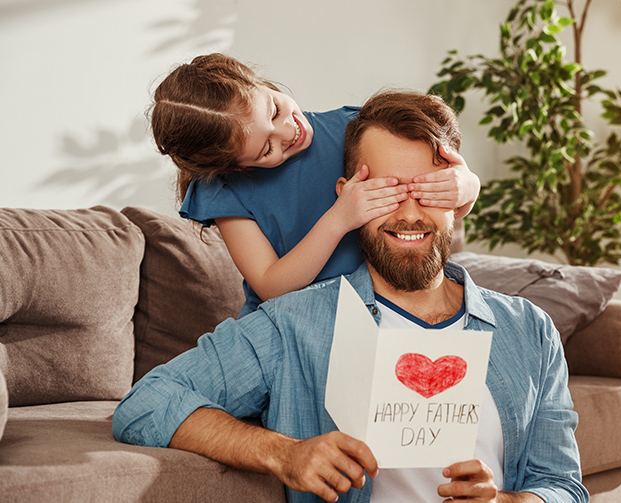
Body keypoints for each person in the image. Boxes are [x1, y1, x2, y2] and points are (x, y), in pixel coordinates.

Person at [114, 90, 588, 503]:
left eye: (427, 191)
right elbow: (147, 403)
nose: (408, 213)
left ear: (458, 199)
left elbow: (563, 486)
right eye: (385, 192)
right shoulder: (293, 324)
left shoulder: (530, 329)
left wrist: (505, 501)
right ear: (348, 195)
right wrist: (284, 453)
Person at [151, 53, 480, 316]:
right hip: (289, 323)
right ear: (235, 166)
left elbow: (426, 209)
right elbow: (270, 285)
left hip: (380, 311)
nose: (287, 132)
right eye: (266, 149)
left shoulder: (357, 128)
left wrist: (467, 187)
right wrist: (339, 219)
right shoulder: (224, 188)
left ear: (260, 83)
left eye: (275, 109)